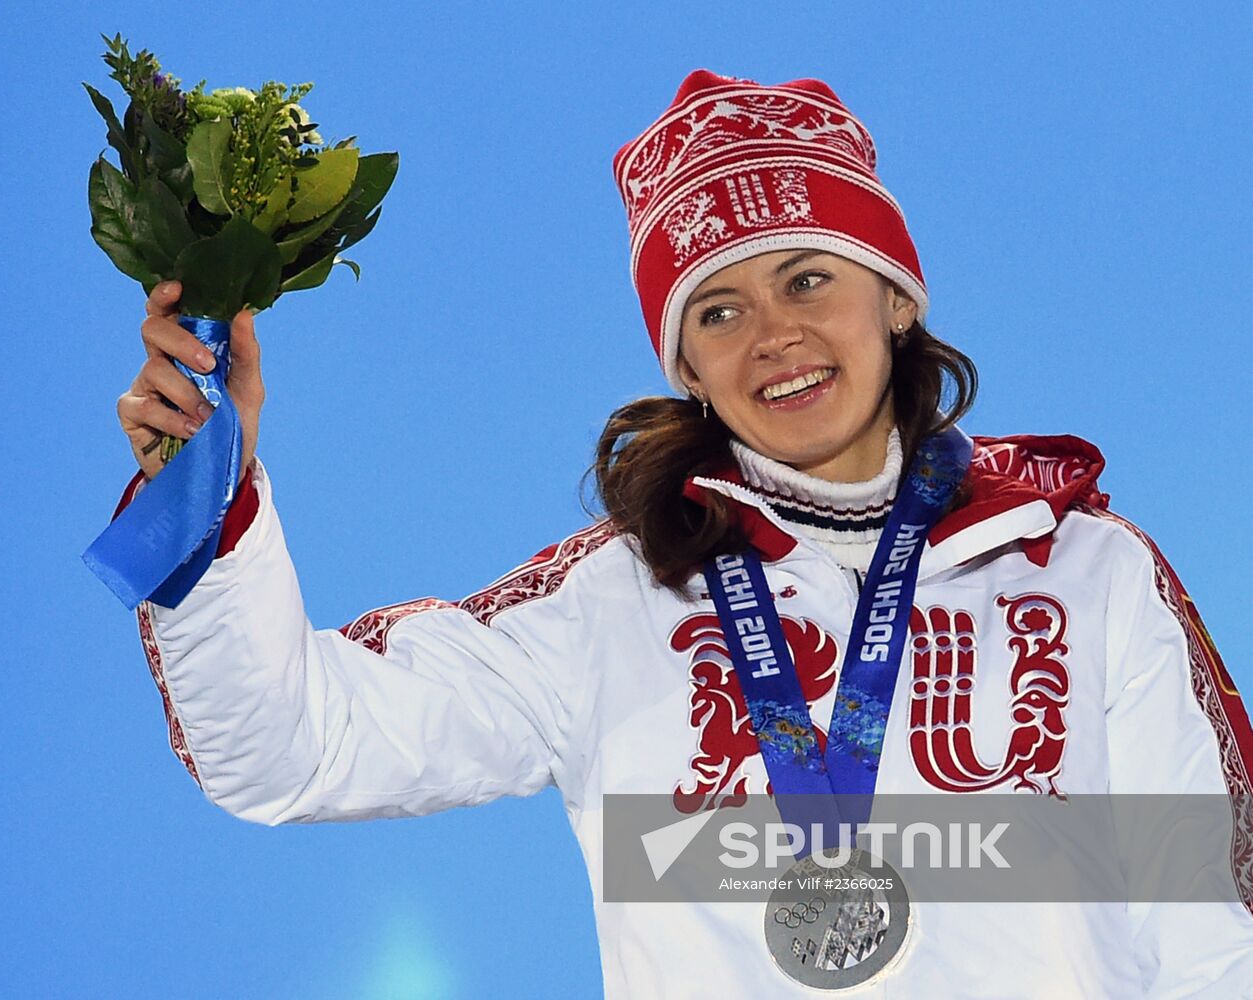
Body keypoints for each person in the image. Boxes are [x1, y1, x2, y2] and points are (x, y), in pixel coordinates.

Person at [111, 70, 1253, 997]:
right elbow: (285, 747)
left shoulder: (1087, 571)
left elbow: (1213, 935)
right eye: (718, 310)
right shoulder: (609, 605)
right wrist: (207, 481)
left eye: (808, 278)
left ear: (896, 299)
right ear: (687, 365)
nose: (774, 334)